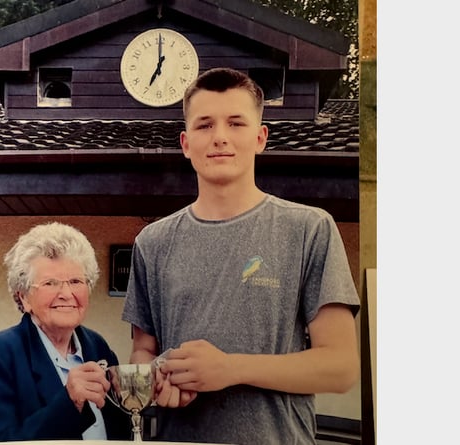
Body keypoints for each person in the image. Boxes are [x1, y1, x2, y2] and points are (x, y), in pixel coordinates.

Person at [121, 67, 360, 444]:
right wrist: (157, 380)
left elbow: (341, 368)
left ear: (260, 137)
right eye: (204, 125)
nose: (219, 137)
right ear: (185, 143)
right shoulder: (153, 242)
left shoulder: (309, 229)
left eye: (235, 123)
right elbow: (142, 350)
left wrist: (229, 368)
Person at [0, 222, 130, 443]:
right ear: (24, 297)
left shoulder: (97, 346)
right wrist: (69, 402)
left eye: (75, 281)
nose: (66, 293)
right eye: (50, 283)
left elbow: (121, 427)